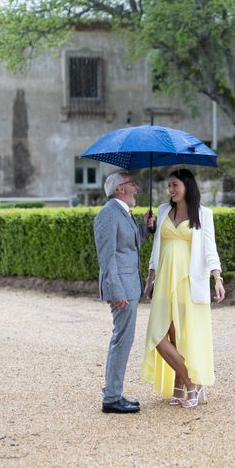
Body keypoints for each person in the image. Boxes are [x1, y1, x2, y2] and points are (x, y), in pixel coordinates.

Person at [141, 168, 225, 408]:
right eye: (169, 186)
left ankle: (182, 386)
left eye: (175, 185)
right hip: (164, 280)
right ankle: (192, 383)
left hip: (189, 281)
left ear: (187, 185)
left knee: (180, 336)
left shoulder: (203, 214)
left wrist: (217, 279)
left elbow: (210, 249)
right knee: (157, 335)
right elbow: (157, 247)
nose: (171, 190)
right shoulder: (162, 211)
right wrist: (150, 278)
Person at [94, 171, 153, 414]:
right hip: (122, 291)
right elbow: (106, 258)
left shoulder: (123, 213)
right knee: (121, 340)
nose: (137, 187)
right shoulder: (108, 215)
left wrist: (145, 227)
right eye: (132, 183)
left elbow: (131, 245)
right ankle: (112, 398)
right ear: (120, 188)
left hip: (129, 287)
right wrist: (116, 291)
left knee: (123, 340)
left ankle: (113, 394)